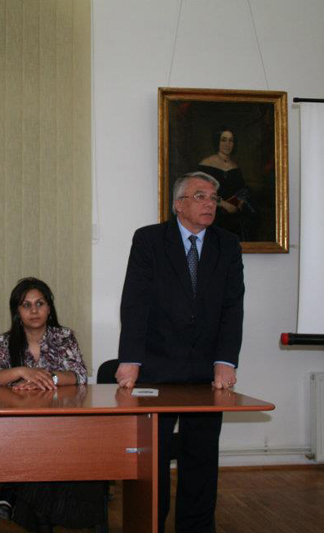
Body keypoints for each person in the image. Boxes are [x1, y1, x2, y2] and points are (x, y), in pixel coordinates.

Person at [116, 171, 245, 533]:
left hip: (205, 373)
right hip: (156, 368)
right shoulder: (149, 240)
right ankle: (150, 524)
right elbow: (135, 302)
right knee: (152, 458)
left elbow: (232, 307)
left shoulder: (227, 244)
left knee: (201, 458)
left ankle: (196, 527)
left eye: (214, 198)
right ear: (178, 204)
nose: (210, 204)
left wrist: (225, 361)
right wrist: (130, 359)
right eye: (200, 196)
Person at [0, 277, 105, 533]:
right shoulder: (3, 342)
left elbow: (80, 375)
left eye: (40, 303)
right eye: (26, 305)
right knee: (32, 450)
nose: (34, 310)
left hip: (60, 424)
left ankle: (16, 496)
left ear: (49, 308)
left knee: (56, 451)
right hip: (17, 427)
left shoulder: (64, 337)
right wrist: (22, 372)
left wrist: (49, 379)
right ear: (17, 311)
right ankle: (33, 508)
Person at [198, 127, 254, 240]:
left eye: (231, 140)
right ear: (217, 141)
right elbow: (200, 191)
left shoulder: (235, 166)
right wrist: (223, 204)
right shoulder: (206, 164)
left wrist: (239, 202)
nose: (227, 144)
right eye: (223, 140)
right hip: (213, 214)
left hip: (234, 214)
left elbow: (242, 190)